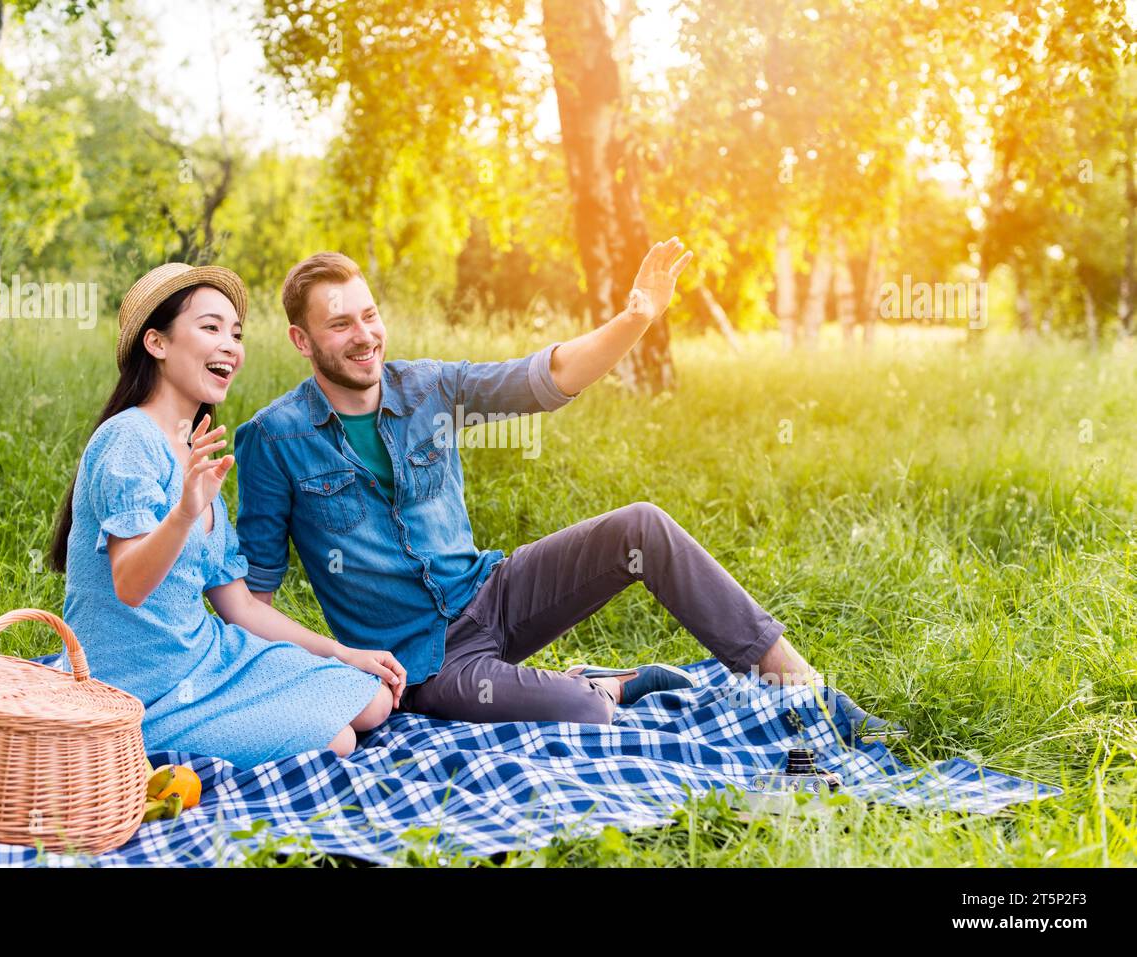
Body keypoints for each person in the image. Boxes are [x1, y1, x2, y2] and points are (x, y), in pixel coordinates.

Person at [232, 240, 904, 740]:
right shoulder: (274, 439)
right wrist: (328, 673)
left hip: (492, 593)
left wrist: (634, 320)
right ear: (301, 339)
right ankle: (602, 684)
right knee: (584, 714)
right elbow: (255, 598)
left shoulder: (426, 385)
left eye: (369, 315)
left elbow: (542, 380)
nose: (365, 336)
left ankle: (810, 694)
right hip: (423, 665)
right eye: (340, 324)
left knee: (641, 528)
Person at [48, 263, 405, 769]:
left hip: (208, 658)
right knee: (338, 741)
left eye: (235, 333)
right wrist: (185, 511)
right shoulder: (128, 441)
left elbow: (240, 606)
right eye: (210, 327)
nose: (230, 346)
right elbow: (129, 584)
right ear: (158, 343)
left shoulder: (195, 450)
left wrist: (344, 652)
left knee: (371, 700)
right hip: (137, 692)